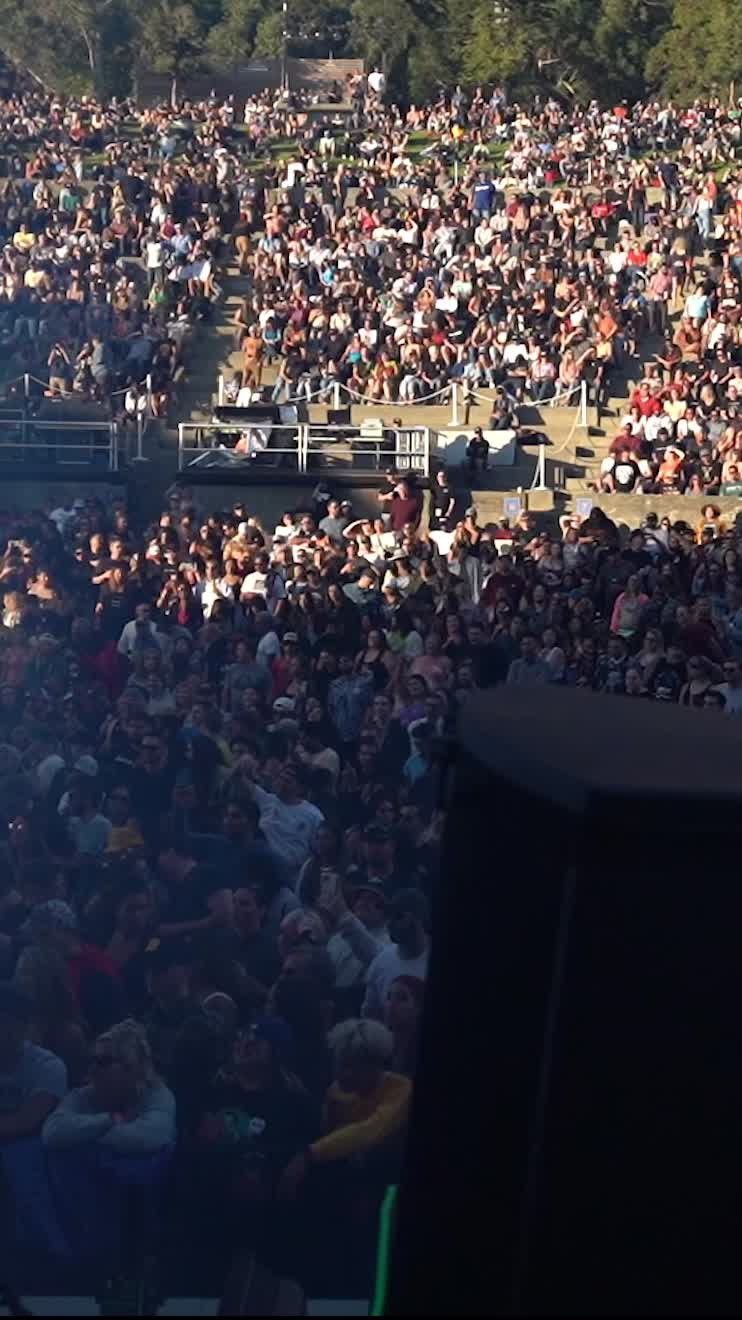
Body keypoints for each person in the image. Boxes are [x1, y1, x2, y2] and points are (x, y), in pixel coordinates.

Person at [0, 981, 67, 1143]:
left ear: (22, 1027)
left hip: (29, 1151)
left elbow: (25, 1122)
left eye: (5, 1023)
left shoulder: (48, 1066)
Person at [362, 889, 430, 1020]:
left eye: (398, 916)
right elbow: (370, 1016)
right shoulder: (380, 962)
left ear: (419, 919)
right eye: (389, 916)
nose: (390, 923)